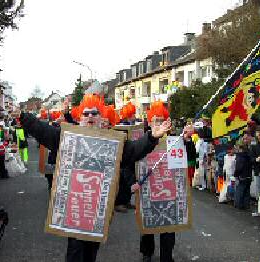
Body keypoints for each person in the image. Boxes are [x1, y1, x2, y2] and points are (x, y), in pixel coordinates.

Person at [20, 94, 171, 262]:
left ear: (101, 118)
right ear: (79, 118)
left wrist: (151, 138)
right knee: (76, 252)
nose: (90, 116)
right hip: (75, 208)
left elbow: (134, 150)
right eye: (86, 114)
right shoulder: (68, 138)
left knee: (91, 253)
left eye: (94, 113)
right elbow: (43, 131)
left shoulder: (113, 142)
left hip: (98, 211)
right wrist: (23, 117)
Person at [137, 101, 175, 262]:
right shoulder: (142, 139)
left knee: (169, 224)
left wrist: (186, 141)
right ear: (150, 121)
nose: (158, 123)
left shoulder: (174, 140)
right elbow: (132, 159)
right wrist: (133, 181)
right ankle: (147, 253)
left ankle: (167, 256)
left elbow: (186, 158)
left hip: (168, 186)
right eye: (155, 120)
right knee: (148, 221)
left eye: (161, 120)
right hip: (147, 186)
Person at [234, 144, 252, 209]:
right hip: (249, 176)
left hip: (242, 176)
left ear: (240, 149)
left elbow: (238, 168)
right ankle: (246, 205)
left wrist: (236, 175)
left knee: (240, 191)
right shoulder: (249, 156)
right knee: (247, 191)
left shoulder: (240, 157)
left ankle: (238, 205)